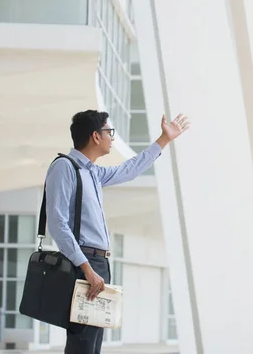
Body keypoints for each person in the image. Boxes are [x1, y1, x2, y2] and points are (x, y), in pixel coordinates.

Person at [45, 109, 189, 354]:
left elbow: (128, 170)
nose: (112, 137)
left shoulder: (92, 173)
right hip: (84, 264)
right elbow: (57, 223)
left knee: (91, 343)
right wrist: (87, 268)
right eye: (109, 132)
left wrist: (163, 140)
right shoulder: (65, 168)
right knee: (82, 343)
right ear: (95, 136)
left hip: (97, 264)